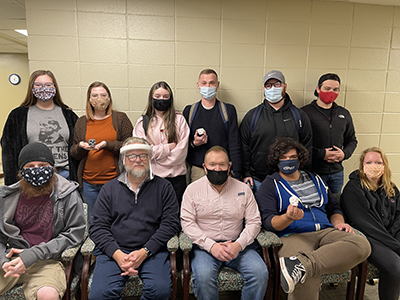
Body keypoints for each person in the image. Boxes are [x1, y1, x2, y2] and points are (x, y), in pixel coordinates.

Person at [256, 137, 370, 299]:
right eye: (284, 158)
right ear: (276, 161)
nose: (288, 161)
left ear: (300, 158)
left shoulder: (315, 179)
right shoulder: (270, 184)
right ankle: (302, 266)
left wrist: (339, 223)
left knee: (362, 245)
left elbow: (333, 207)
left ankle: (302, 264)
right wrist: (288, 217)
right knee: (305, 277)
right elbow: (269, 223)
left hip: (326, 231)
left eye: (293, 157)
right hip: (293, 235)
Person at [89, 137, 180, 300]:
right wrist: (117, 255)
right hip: (115, 252)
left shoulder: (164, 187)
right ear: (123, 159)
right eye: (132, 155)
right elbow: (98, 227)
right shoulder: (108, 189)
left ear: (150, 158)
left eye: (143, 155)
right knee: (99, 295)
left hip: (151, 251)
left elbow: (170, 224)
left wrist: (144, 252)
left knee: (159, 291)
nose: (138, 159)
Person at [181, 146, 268, 300]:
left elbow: (254, 221)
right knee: (203, 277)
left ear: (229, 167)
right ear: (205, 167)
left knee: (260, 273)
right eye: (212, 164)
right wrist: (211, 246)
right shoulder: (192, 190)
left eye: (222, 164)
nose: (217, 168)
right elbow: (187, 223)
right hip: (205, 248)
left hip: (238, 246)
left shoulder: (244, 189)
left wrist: (239, 245)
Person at [0, 142, 85, 300]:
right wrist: (2, 260)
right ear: (21, 171)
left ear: (52, 168)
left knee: (48, 295)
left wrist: (33, 255)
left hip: (47, 261)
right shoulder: (8, 196)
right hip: (11, 258)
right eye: (30, 166)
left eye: (42, 165)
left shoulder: (67, 193)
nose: (36, 170)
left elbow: (74, 233)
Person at [240, 70, 312, 195]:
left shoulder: (299, 116)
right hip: (259, 180)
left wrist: (303, 174)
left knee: (290, 214)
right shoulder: (252, 116)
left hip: (291, 180)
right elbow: (244, 147)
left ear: (285, 86)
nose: (272, 88)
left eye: (277, 84)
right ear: (264, 89)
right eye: (269, 85)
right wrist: (246, 173)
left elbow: (307, 146)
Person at [341, 147, 400, 300]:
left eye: (378, 162)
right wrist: (395, 245)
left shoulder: (391, 188)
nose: (374, 165)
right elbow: (367, 224)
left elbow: (398, 218)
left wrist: (396, 239)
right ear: (362, 166)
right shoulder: (353, 189)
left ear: (384, 165)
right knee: (395, 266)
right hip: (368, 237)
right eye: (369, 162)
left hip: (389, 236)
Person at [1, 70, 79, 185]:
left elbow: (78, 146)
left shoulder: (69, 115)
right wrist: (12, 184)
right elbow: (8, 152)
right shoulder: (18, 115)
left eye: (48, 85)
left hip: (65, 176)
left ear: (55, 87)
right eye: (38, 85)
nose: (43, 88)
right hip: (32, 177)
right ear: (32, 88)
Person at [70, 81, 133, 219]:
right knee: (94, 220)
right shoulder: (82, 121)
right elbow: (74, 153)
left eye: (103, 95)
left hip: (115, 181)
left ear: (109, 98)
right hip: (88, 183)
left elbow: (130, 146)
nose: (99, 99)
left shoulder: (120, 119)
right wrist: (81, 146)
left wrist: (107, 145)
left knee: (117, 219)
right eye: (95, 95)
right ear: (89, 99)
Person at [133, 81, 189, 205]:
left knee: (174, 216)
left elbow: (180, 154)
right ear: (151, 98)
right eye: (157, 96)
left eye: (165, 97)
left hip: (176, 180)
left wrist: (154, 156)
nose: (161, 99)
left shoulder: (179, 120)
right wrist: (167, 148)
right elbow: (141, 153)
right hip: (152, 179)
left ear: (170, 99)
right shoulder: (142, 122)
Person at [183, 69, 241, 183]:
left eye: (211, 83)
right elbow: (182, 147)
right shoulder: (190, 111)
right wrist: (195, 143)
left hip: (223, 168)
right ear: (198, 85)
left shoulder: (228, 111)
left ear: (217, 85)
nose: (207, 86)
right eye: (204, 83)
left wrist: (237, 173)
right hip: (198, 170)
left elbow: (234, 143)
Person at [302, 73, 357, 194]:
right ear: (318, 89)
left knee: (335, 206)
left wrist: (344, 153)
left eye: (335, 89)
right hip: (313, 172)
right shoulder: (305, 113)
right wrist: (321, 154)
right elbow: (298, 143)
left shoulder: (344, 113)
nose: (331, 92)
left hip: (337, 173)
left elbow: (352, 140)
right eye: (327, 89)